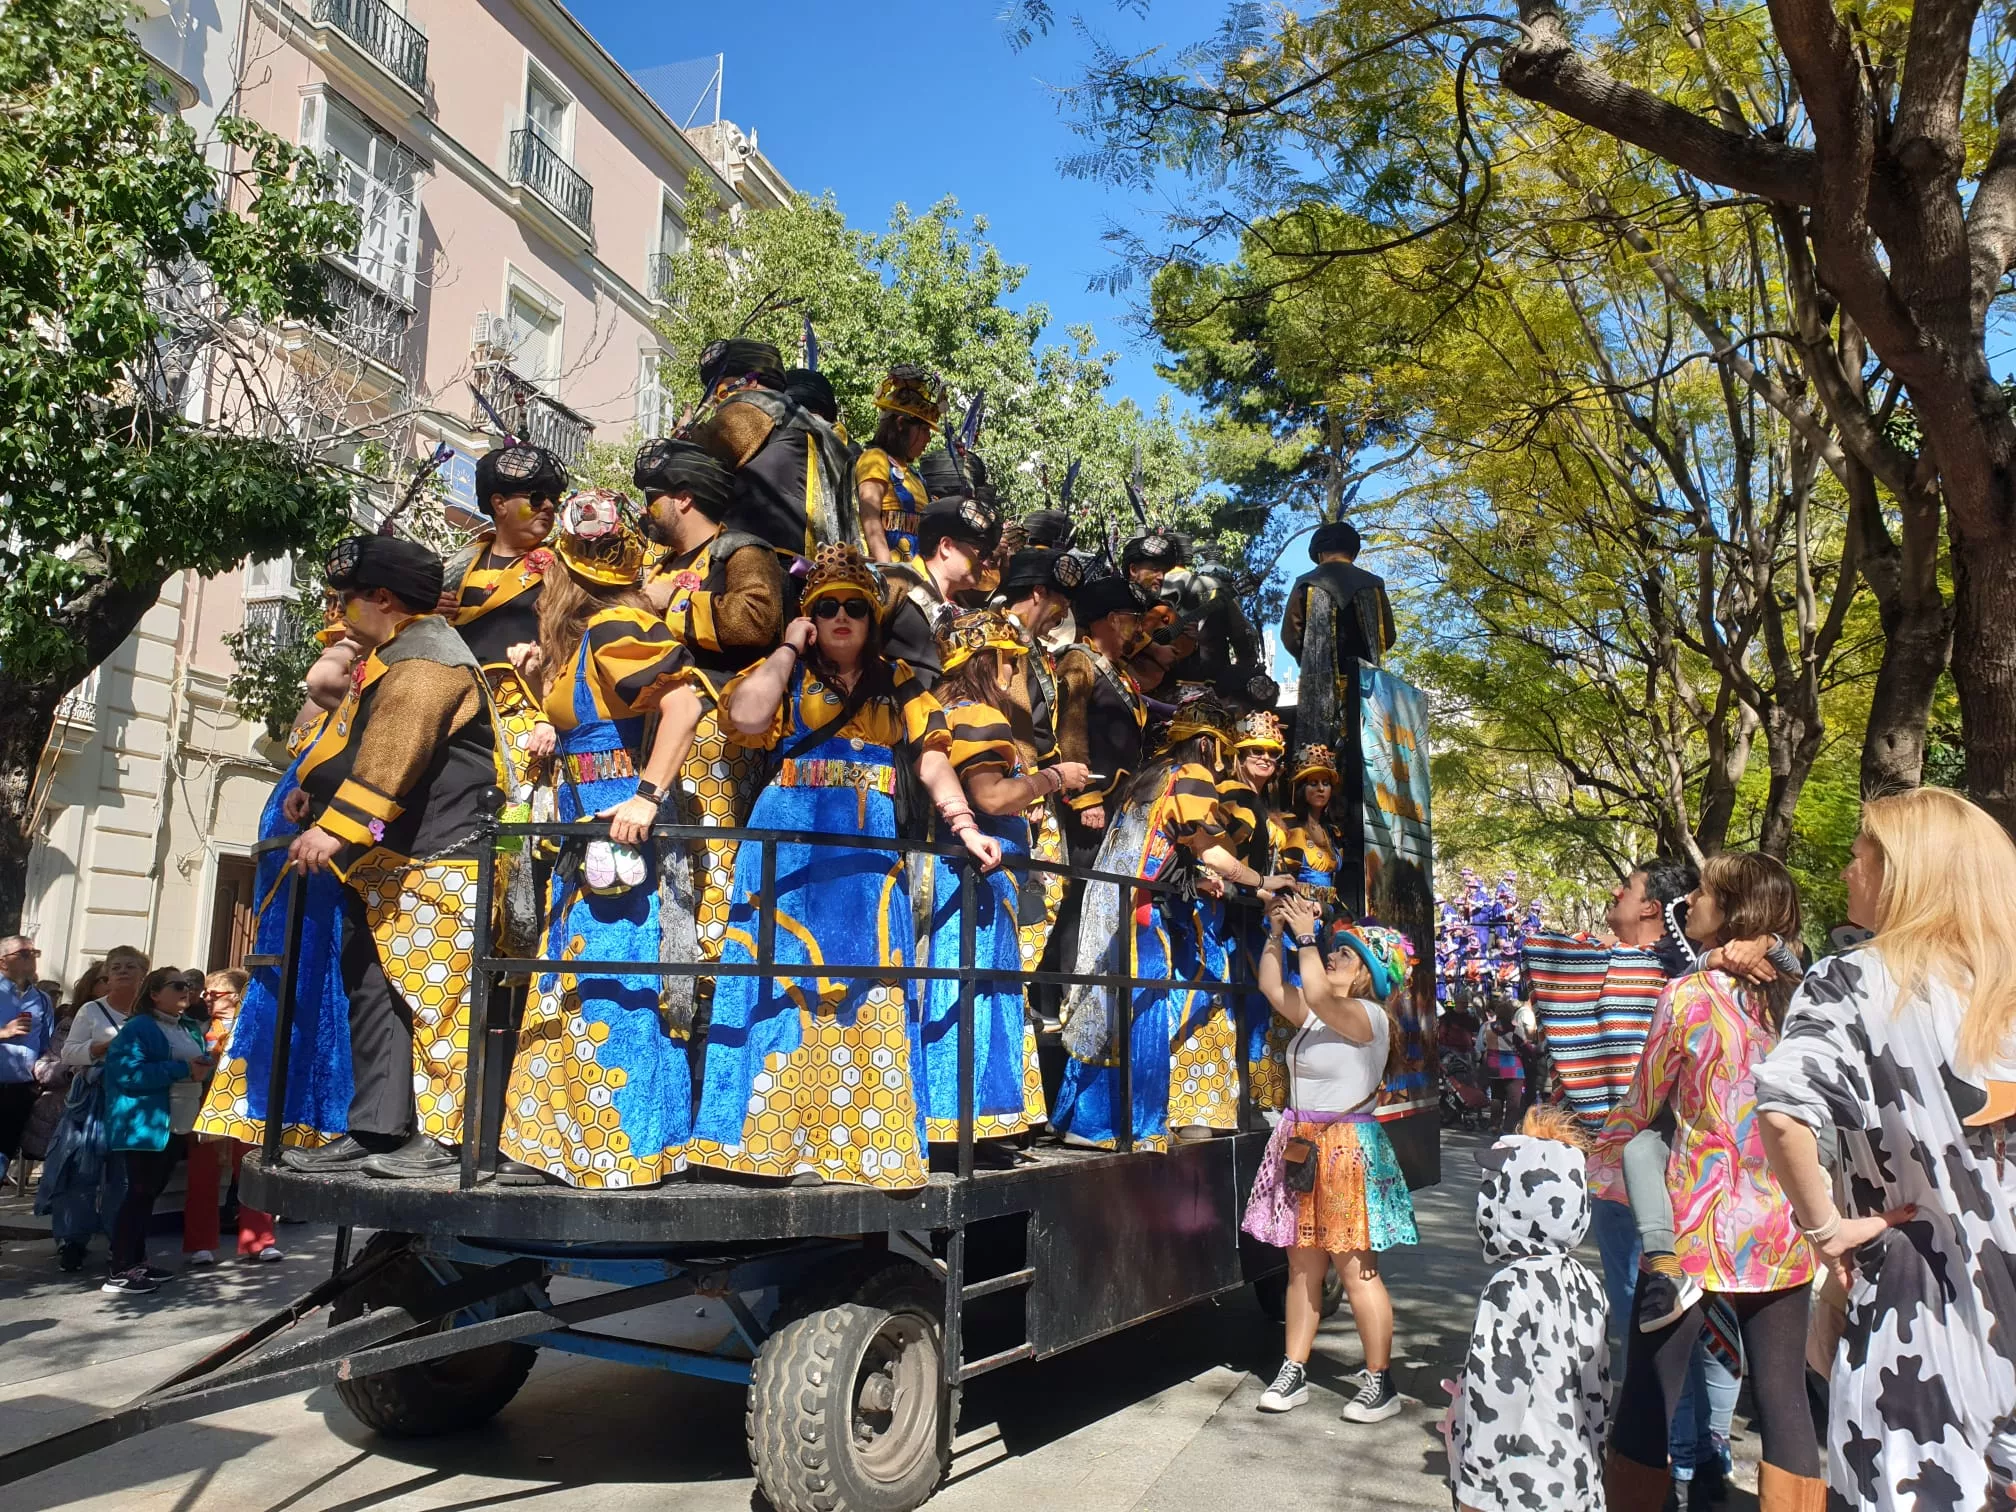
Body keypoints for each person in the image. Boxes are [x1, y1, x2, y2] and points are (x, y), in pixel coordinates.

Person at [688, 544, 999, 1189]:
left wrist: (964, 825)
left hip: (866, 848)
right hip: (790, 839)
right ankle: (762, 1145)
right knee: (780, 975)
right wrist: (786, 648)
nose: (839, 617)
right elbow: (744, 717)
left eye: (853, 607)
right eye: (824, 607)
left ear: (871, 617)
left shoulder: (903, 682)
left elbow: (933, 760)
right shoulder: (788, 672)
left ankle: (865, 1142)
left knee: (868, 977)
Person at [1755, 788, 2016, 1512]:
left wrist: (1825, 1230)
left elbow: (1782, 1110)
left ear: (1907, 872)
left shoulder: (1854, 981)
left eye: (1859, 855)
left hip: (1919, 1331)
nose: (1845, 872)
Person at [1594, 851, 1820, 1510]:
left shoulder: (1689, 997)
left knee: (1649, 1398)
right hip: (1784, 1226)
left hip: (1688, 1234)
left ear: (1734, 910)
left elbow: (1639, 1107)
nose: (1688, 901)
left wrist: (1600, 1158)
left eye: (1704, 893)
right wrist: (1776, 950)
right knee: (1784, 1402)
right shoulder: (1802, 1002)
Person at [496, 493, 706, 1190]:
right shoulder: (603, 631)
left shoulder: (616, 624)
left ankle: (624, 1149)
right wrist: (539, 692)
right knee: (577, 987)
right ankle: (569, 1148)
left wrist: (646, 796)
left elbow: (683, 700)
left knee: (614, 990)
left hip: (620, 847)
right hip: (586, 843)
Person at [280, 534, 495, 1181]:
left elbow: (394, 755)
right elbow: (347, 741)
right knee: (373, 989)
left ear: (381, 598)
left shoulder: (426, 660)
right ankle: (376, 1129)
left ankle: (449, 1142)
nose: (335, 612)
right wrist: (308, 789)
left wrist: (334, 828)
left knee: (440, 999)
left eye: (343, 600)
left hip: (440, 861)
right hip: (391, 867)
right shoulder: (391, 656)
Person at [1052, 696, 1292, 1151]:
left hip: (1116, 902)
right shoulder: (1193, 777)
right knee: (1152, 1004)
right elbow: (1209, 850)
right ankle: (1137, 1125)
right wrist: (1260, 879)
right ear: (1207, 745)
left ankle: (1084, 1122)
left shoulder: (1150, 776)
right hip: (1146, 912)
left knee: (1106, 1008)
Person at [916, 610, 1090, 1158]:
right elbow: (991, 797)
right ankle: (967, 1125)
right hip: (975, 883)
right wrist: (1054, 778)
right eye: (1012, 662)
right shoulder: (980, 716)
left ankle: (950, 1121)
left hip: (956, 879)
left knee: (954, 986)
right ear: (989, 661)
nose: (1016, 676)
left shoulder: (936, 711)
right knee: (973, 988)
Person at [1244, 897, 1418, 1422]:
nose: (1335, 958)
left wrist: (1307, 936)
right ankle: (1293, 1367)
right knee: (1302, 1267)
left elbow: (1314, 989)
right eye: (1334, 951)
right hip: (1303, 1142)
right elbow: (1273, 989)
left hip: (1346, 1149)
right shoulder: (1318, 1018)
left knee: (1356, 1268)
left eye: (1346, 954)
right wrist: (1276, 932)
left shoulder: (1367, 1017)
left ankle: (1379, 1380)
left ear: (1366, 972)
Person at [634, 438, 787, 965]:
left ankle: (710, 986)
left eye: (651, 496)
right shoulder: (653, 564)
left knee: (712, 858)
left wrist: (672, 602)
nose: (644, 509)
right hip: (651, 736)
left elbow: (758, 618)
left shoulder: (743, 551)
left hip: (717, 738)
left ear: (682, 498)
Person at [194, 671, 354, 1160]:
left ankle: (328, 1113)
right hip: (297, 847)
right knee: (291, 974)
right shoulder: (326, 716)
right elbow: (319, 682)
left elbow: (326, 679)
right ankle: (279, 1107)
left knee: (328, 978)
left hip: (336, 851)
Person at [1443, 1106, 1609, 1512]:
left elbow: (1498, 1391)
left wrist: (1476, 1483)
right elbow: (1598, 1387)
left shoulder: (1509, 1289)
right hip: (1579, 1482)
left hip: (1515, 1489)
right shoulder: (1588, 1284)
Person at [440, 440, 563, 808]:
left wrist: (550, 717)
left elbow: (568, 644)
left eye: (554, 498)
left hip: (528, 717)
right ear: (499, 504)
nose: (549, 507)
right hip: (459, 716)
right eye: (538, 497)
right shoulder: (459, 565)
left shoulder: (562, 568)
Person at [689, 340, 854, 564]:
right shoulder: (807, 424)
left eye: (720, 391)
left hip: (763, 565)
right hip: (820, 566)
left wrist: (682, 433)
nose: (717, 402)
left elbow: (693, 461)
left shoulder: (756, 407)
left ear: (752, 381)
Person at [101, 968, 212, 1295]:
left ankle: (137, 1260)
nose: (186, 990)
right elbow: (127, 1074)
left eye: (188, 985)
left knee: (149, 1193)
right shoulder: (138, 1028)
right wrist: (183, 1069)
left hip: (176, 1124)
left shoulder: (188, 1026)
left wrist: (203, 1067)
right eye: (177, 985)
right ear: (154, 993)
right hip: (144, 1124)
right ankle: (119, 1268)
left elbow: (195, 1070)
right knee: (138, 1193)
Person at [41, 945, 147, 1271]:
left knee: (125, 1176)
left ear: (144, 974)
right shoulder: (90, 1011)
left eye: (131, 966)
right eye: (116, 967)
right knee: (79, 1171)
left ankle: (122, 1242)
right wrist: (104, 1047)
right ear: (107, 975)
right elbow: (70, 1054)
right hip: (91, 1101)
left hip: (133, 1102)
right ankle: (72, 1242)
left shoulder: (149, 1015)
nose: (123, 971)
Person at [183, 969, 279, 1265]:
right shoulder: (198, 1028)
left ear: (238, 996)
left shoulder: (257, 1027)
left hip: (244, 1109)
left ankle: (259, 1240)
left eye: (216, 994)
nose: (208, 999)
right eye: (207, 994)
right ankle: (200, 1244)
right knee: (202, 1177)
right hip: (205, 1109)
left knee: (251, 1173)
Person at [1281, 519, 1396, 760]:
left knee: (1318, 752)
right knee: (1366, 753)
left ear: (1319, 552)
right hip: (1366, 687)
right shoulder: (1374, 586)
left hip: (1320, 690)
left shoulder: (1306, 584)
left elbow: (1290, 636)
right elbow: (1388, 636)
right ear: (1353, 552)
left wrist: (1312, 660)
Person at [1224, 711, 1289, 1110]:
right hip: (1234, 912)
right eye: (1255, 751)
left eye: (1271, 754)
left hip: (1262, 913)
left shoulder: (1261, 803)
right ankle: (1242, 1097)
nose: (1265, 759)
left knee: (1267, 1002)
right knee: (1240, 1003)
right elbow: (1220, 860)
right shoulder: (1232, 797)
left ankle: (1263, 1095)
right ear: (1239, 754)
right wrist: (1262, 890)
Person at [878, 497, 1003, 689]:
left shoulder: (966, 608)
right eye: (982, 552)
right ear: (946, 546)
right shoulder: (896, 582)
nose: (986, 564)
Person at [855, 365, 941, 563]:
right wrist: (886, 569)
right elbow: (869, 514)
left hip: (916, 581)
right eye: (924, 430)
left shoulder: (917, 478)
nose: (928, 439)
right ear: (901, 424)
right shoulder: (875, 458)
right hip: (886, 578)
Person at [0, 934, 54, 1188]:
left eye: (34, 953)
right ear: (3, 962)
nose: (31, 958)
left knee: (4, 1152)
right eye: (23, 954)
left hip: (21, 1089)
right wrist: (4, 1032)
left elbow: (47, 1043)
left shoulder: (41, 999)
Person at [1477, 995, 1527, 1135]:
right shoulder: (1516, 1028)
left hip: (1493, 1066)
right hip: (1513, 1068)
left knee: (1496, 1096)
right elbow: (1524, 1046)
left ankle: (1494, 1125)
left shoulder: (1487, 1026)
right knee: (1513, 1100)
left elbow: (1481, 1045)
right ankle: (1509, 1127)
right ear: (1511, 1013)